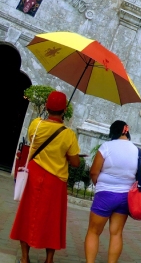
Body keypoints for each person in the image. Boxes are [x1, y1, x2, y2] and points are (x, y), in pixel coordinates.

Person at [10, 91, 81, 263]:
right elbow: (75, 162)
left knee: (27, 214)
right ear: (64, 110)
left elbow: (33, 142)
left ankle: (25, 258)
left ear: (47, 107)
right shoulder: (68, 134)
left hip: (33, 175)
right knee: (53, 220)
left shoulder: (36, 124)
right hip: (55, 181)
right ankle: (49, 260)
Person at [85, 121, 139, 263]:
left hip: (105, 195)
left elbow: (93, 172)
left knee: (93, 231)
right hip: (125, 197)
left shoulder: (106, 147)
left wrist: (100, 185)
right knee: (116, 233)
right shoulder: (137, 151)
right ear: (126, 131)